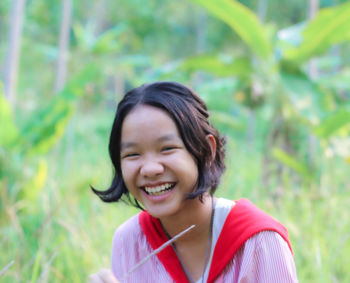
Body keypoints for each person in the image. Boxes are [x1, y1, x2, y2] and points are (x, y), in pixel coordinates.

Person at [89, 82, 298, 283]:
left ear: (207, 150)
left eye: (167, 148)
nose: (150, 169)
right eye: (133, 154)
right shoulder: (130, 241)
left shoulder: (259, 243)